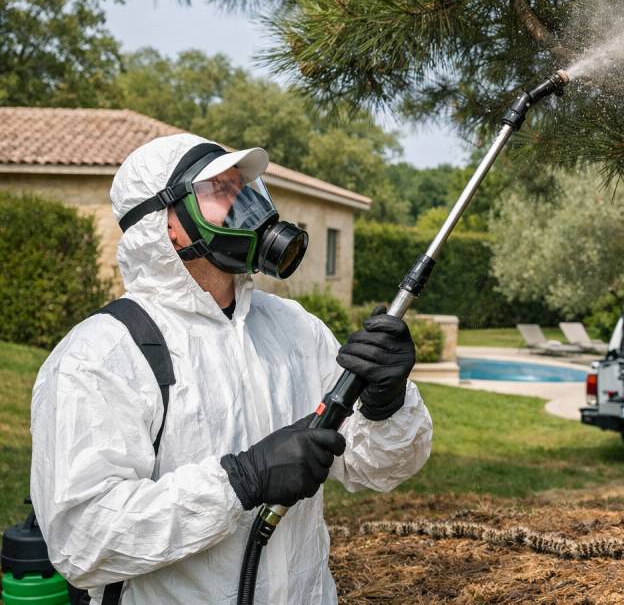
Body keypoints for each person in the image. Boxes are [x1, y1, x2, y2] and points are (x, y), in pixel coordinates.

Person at [29, 134, 432, 604]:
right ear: (168, 226)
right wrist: (240, 481)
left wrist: (386, 401)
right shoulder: (101, 355)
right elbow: (82, 540)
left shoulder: (295, 328)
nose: (245, 203)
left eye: (244, 187)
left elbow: (374, 469)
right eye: (220, 190)